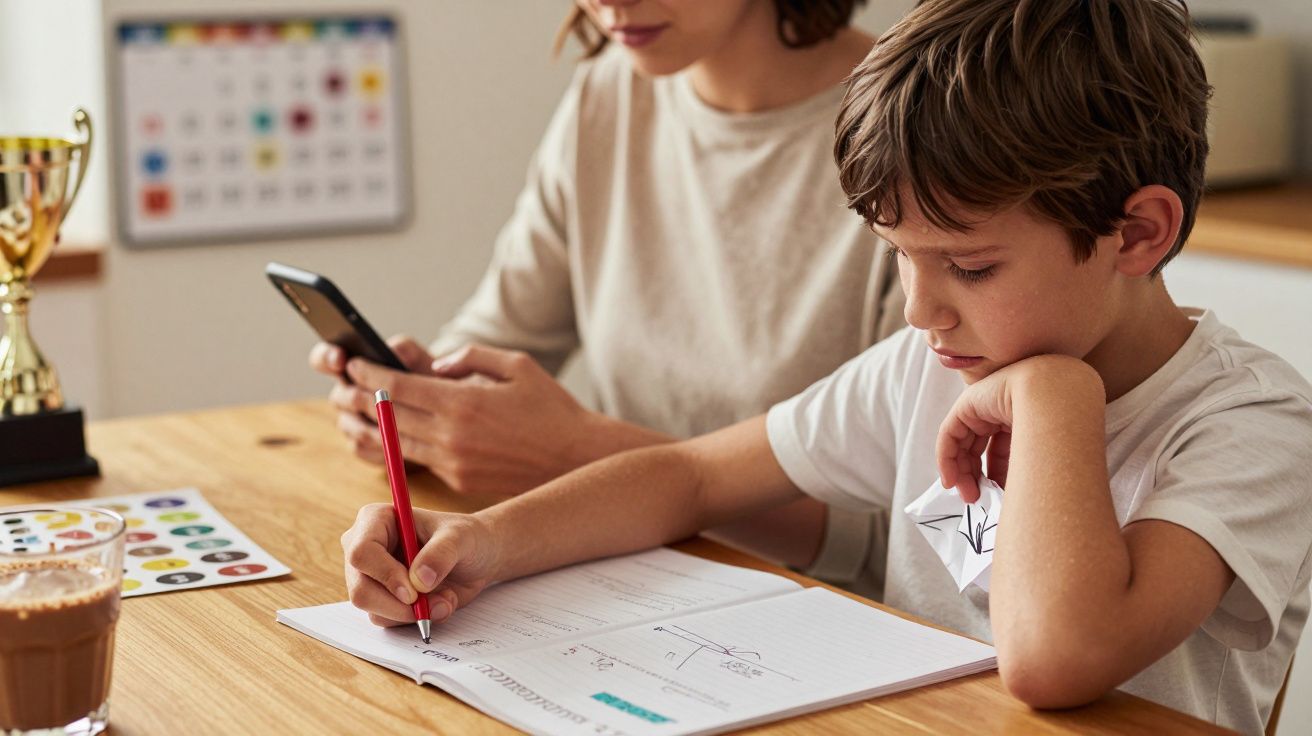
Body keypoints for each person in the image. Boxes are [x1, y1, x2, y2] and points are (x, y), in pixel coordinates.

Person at [339, 1, 1312, 732]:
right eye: (899, 253)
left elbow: (1058, 659)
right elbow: (689, 475)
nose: (917, 306)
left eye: (968, 265)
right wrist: (484, 543)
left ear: (1136, 233)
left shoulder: (1251, 424)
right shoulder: (930, 361)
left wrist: (1056, 398)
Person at [311, 0, 907, 577]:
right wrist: (421, 402)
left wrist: (578, 453)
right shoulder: (609, 94)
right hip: (634, 583)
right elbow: (502, 329)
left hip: (829, 625)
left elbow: (898, 539)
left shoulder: (914, 128)